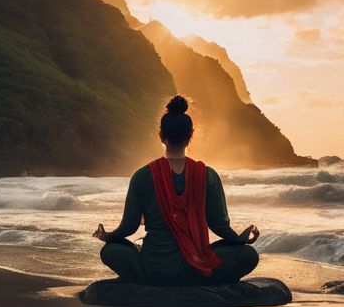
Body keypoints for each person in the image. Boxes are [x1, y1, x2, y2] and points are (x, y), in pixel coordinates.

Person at [93, 95, 260, 285]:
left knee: (110, 250)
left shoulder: (142, 175)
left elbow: (129, 227)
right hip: (196, 267)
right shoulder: (208, 175)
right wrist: (240, 240)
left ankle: (148, 277)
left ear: (161, 136)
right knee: (248, 255)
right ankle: (198, 277)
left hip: (153, 267)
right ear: (191, 136)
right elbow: (219, 225)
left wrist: (108, 236)